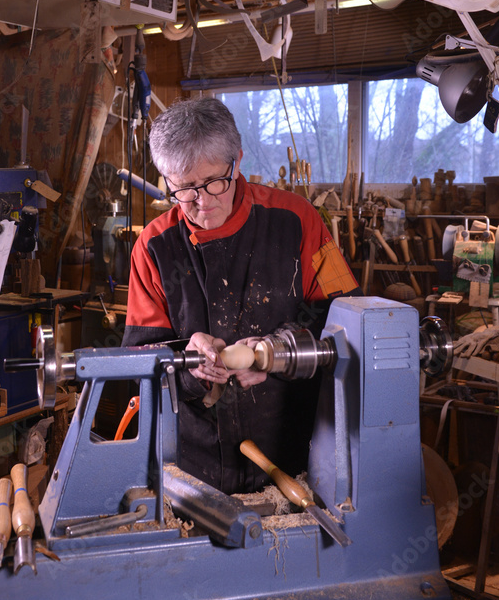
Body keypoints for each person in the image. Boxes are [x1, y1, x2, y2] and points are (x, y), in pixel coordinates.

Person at [123, 98, 360, 495]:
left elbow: (348, 317)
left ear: (237, 161)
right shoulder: (152, 248)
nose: (204, 201)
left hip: (294, 449)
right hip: (194, 464)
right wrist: (189, 362)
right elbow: (139, 359)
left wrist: (280, 351)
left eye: (215, 181)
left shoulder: (299, 220)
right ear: (166, 180)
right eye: (184, 189)